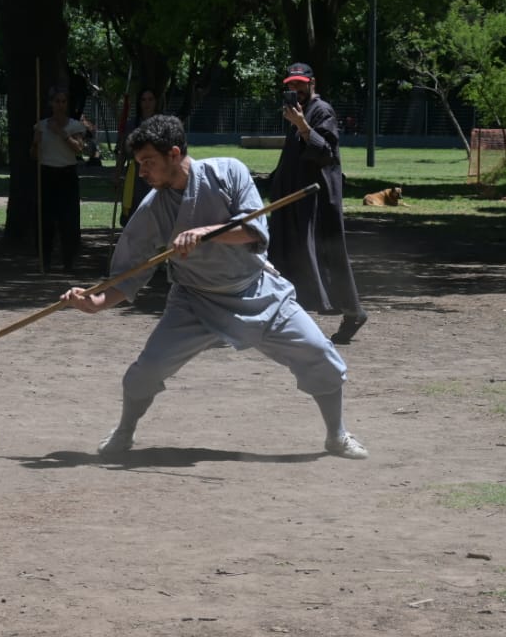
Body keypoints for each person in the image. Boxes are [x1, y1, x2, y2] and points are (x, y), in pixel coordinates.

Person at [61, 114, 368, 461]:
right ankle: (124, 431)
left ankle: (337, 435)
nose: (142, 172)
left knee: (320, 354)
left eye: (149, 162)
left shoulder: (228, 172)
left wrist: (207, 233)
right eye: (139, 164)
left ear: (174, 154)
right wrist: (96, 302)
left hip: (257, 290)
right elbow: (129, 274)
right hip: (194, 301)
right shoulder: (152, 211)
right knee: (146, 371)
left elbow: (254, 233)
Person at [267, 63, 367, 345]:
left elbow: (325, 153)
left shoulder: (321, 111)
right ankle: (283, 318)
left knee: (324, 256)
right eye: (291, 85)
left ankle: (353, 311)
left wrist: (302, 125)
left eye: (300, 84)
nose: (295, 89)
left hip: (316, 201)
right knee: (285, 254)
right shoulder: (295, 112)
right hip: (293, 198)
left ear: (312, 82)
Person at [33, 84, 86, 273]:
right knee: (46, 220)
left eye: (64, 101)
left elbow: (79, 149)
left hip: (67, 175)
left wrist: (62, 134)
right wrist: (36, 144)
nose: (61, 105)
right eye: (57, 101)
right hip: (47, 174)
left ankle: (68, 262)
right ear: (51, 104)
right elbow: (34, 154)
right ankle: (44, 260)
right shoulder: (41, 126)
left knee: (68, 220)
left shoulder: (74, 126)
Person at [116, 88, 158, 225]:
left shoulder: (162, 124)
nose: (147, 103)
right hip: (136, 175)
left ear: (156, 102)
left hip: (158, 173)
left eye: (150, 99)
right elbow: (124, 151)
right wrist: (117, 174)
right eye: (143, 100)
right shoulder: (131, 125)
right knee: (134, 213)